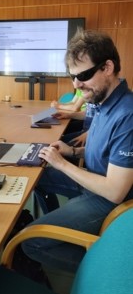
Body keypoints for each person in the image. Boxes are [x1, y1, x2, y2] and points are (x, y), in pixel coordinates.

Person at [21, 29, 133, 274]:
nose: (76, 85)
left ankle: (109, 271)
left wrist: (62, 164)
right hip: (92, 181)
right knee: (38, 179)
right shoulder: (102, 102)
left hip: (106, 200)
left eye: (83, 75)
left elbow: (115, 191)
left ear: (107, 68)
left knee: (31, 242)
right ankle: (61, 231)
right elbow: (104, 153)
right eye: (72, 76)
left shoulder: (128, 114)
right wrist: (72, 152)